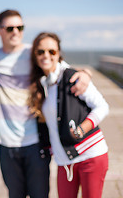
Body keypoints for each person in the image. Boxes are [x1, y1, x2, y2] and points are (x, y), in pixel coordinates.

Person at [0, 9, 92, 198]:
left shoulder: (33, 53)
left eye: (20, 27)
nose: (16, 32)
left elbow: (62, 69)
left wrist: (85, 73)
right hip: (6, 144)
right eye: (10, 28)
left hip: (36, 143)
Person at [28, 32, 109, 198]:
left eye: (52, 51)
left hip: (91, 155)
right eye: (40, 51)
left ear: (59, 54)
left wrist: (82, 128)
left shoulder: (72, 77)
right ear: (35, 55)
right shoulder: (43, 83)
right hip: (64, 161)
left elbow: (102, 106)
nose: (46, 56)